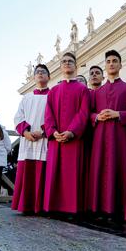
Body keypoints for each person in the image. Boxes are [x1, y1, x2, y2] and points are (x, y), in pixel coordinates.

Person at [86, 49, 126, 216]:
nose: (112, 63)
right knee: (100, 168)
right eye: (108, 61)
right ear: (105, 67)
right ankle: (98, 207)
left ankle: (120, 207)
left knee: (119, 168)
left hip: (120, 137)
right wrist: (97, 116)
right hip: (100, 137)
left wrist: (118, 114)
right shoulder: (97, 92)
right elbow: (89, 113)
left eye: (115, 61)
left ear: (121, 65)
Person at [43, 52, 91, 214]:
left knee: (72, 175)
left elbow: (84, 113)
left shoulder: (83, 89)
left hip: (74, 139)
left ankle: (72, 208)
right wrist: (53, 131)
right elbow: (48, 114)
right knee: (54, 174)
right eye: (64, 61)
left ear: (76, 66)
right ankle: (54, 207)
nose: (67, 63)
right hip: (55, 139)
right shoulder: (53, 91)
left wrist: (72, 131)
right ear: (60, 66)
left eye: (70, 61)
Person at [12, 64, 50, 213]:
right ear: (34, 77)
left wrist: (43, 131)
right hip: (27, 140)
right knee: (27, 174)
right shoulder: (26, 97)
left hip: (44, 139)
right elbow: (18, 117)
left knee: (43, 172)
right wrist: (25, 132)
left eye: (43, 72)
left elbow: (55, 117)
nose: (40, 74)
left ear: (49, 76)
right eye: (37, 72)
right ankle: (26, 206)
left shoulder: (52, 95)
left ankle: (41, 206)